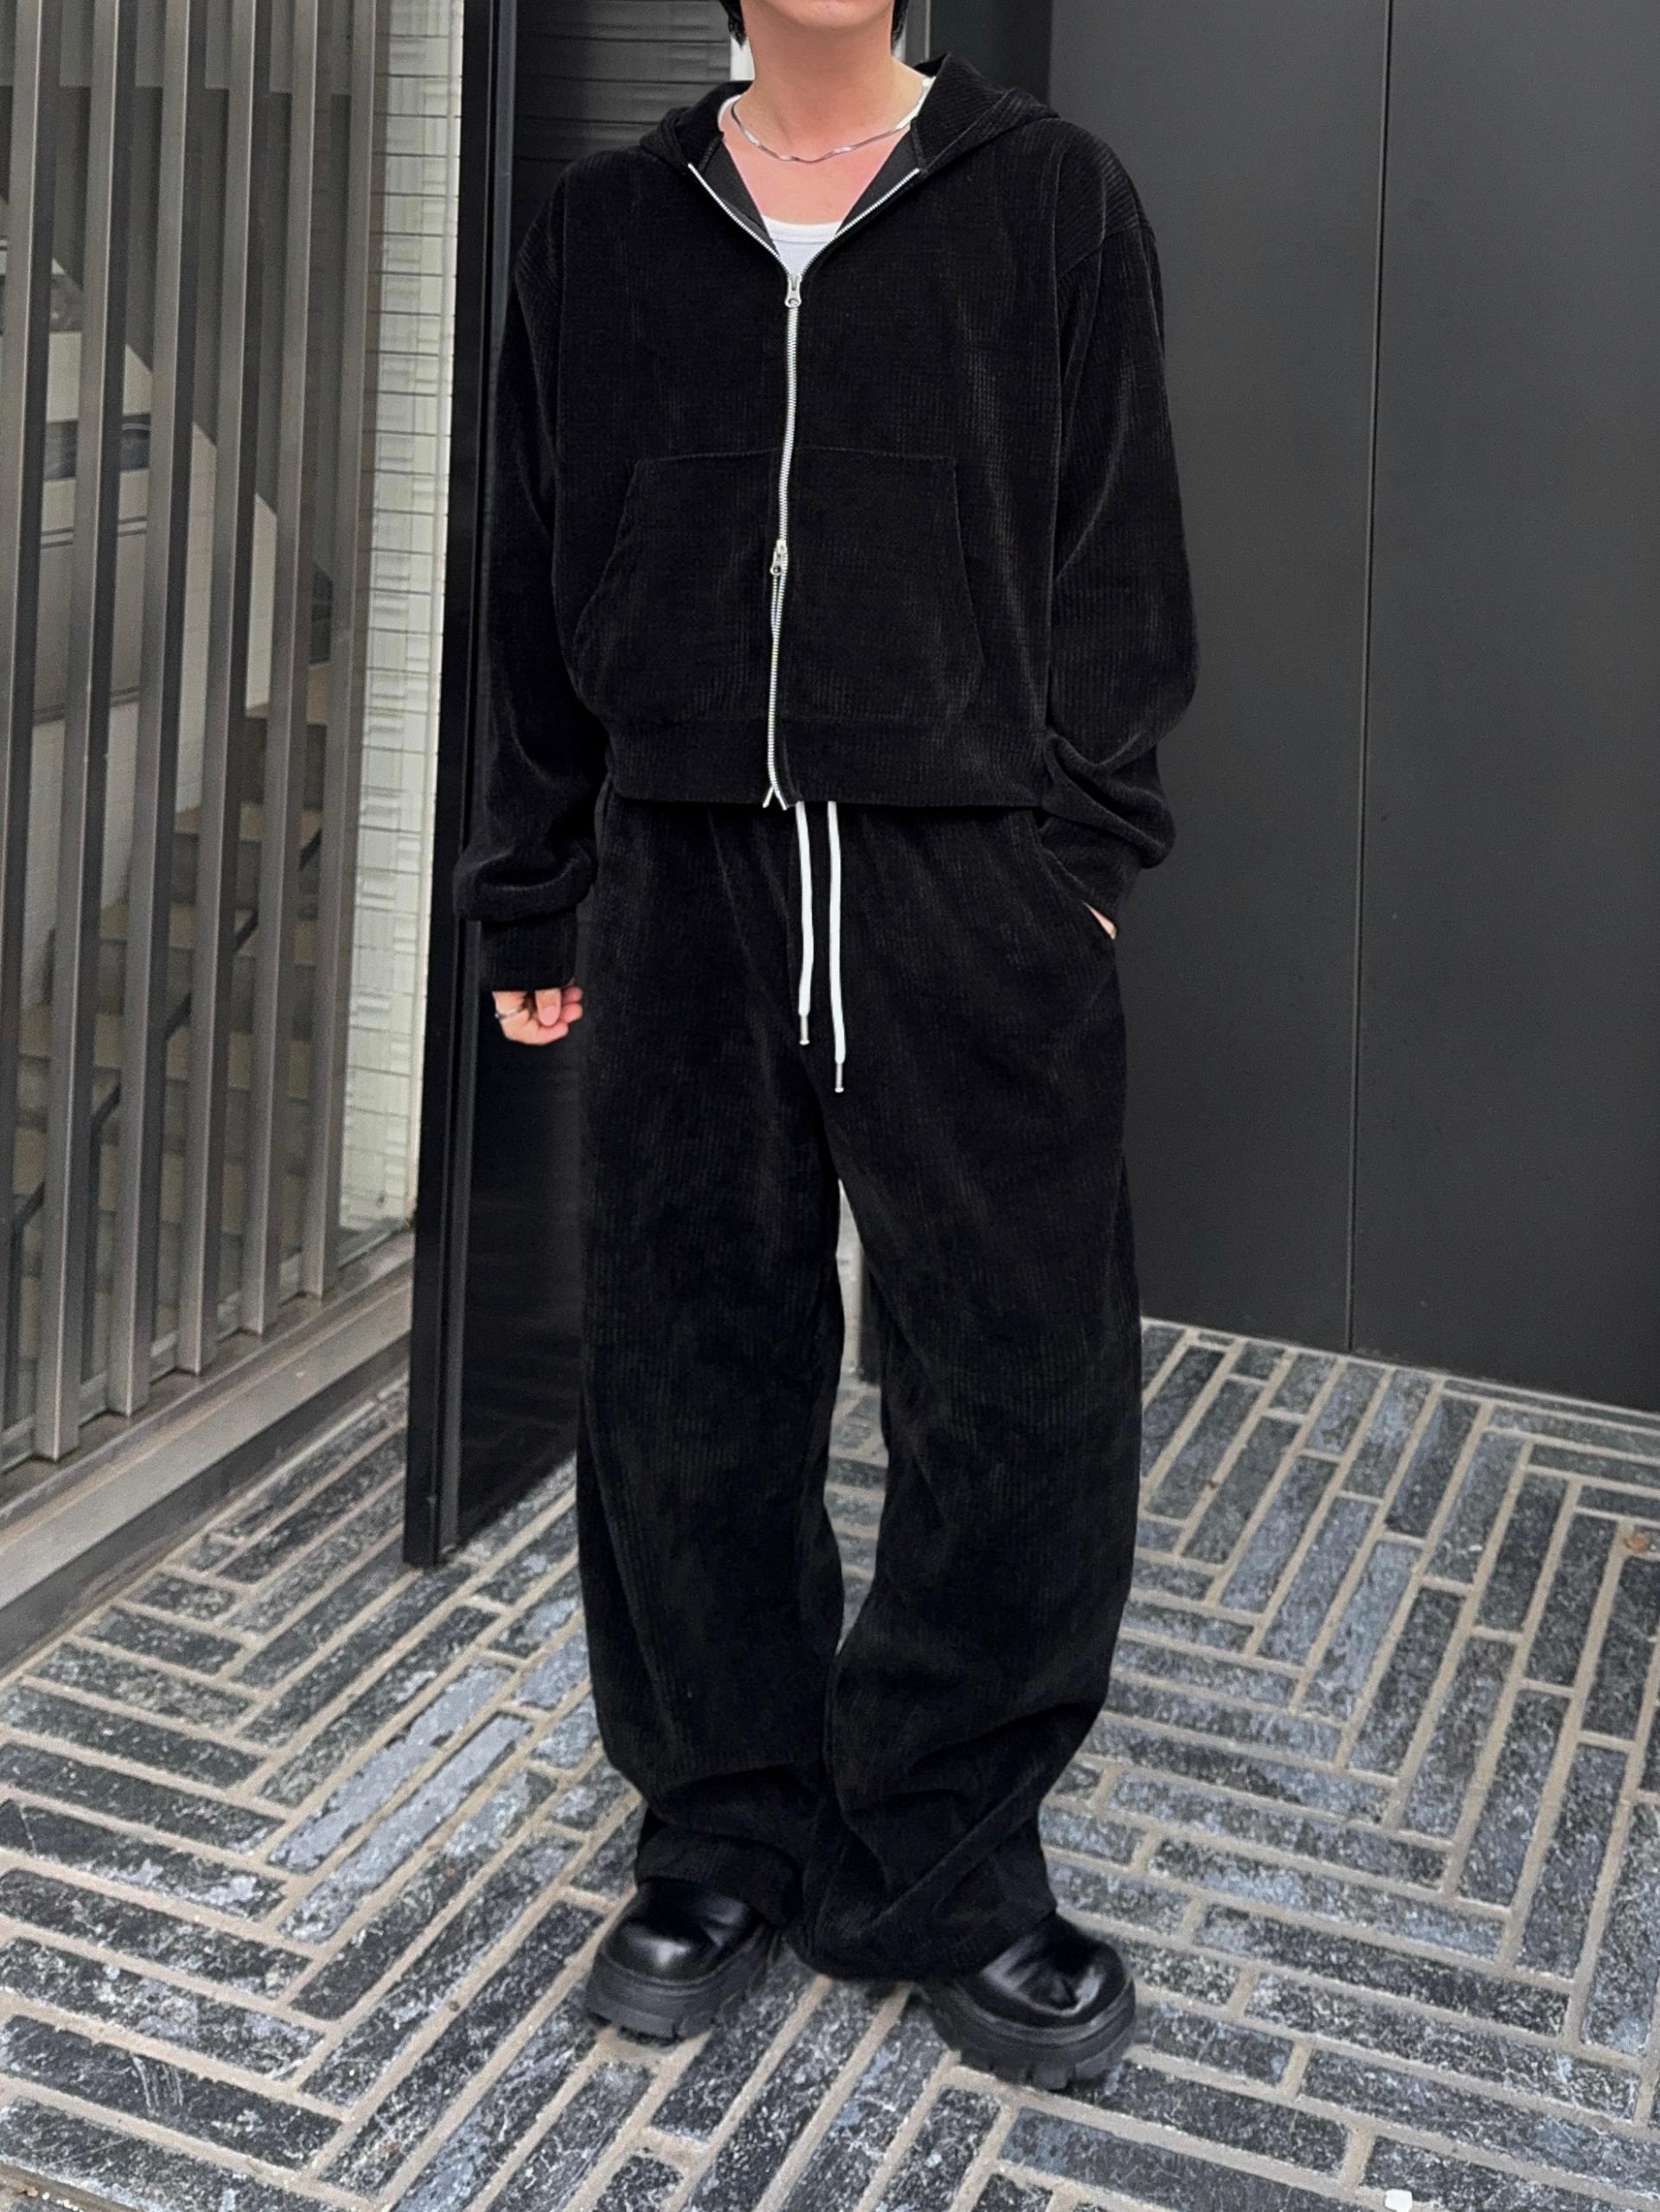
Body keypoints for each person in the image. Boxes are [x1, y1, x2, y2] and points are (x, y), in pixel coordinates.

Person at [453, 0, 1197, 2089]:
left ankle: (943, 1848)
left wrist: (1079, 862)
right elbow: (534, 567)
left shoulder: (1052, 201)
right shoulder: (604, 228)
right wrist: (535, 877)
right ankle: (723, 1825)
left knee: (1023, 1384)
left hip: (965, 880)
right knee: (687, 1368)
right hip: (679, 873)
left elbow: (1121, 553)